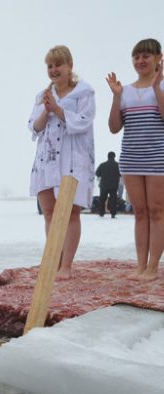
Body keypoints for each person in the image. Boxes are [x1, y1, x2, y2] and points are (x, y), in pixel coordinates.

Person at [28, 45, 95, 279]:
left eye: (59, 64)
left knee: (70, 212)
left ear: (70, 66)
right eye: (50, 66)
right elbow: (33, 127)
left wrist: (58, 109)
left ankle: (66, 265)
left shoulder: (84, 93)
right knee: (49, 212)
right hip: (47, 158)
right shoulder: (42, 95)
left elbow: (84, 122)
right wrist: (47, 111)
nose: (54, 70)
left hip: (72, 159)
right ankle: (52, 262)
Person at [106, 38, 164, 280]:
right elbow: (114, 127)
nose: (140, 61)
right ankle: (140, 265)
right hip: (131, 158)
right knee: (139, 212)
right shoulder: (125, 90)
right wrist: (116, 97)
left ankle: (152, 267)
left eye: (146, 56)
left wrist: (157, 87)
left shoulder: (161, 86)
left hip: (157, 158)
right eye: (137, 56)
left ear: (158, 58)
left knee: (157, 211)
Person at [96, 151, 121, 218]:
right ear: (114, 157)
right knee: (113, 200)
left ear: (108, 156)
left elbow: (97, 173)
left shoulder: (102, 165)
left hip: (104, 185)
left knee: (102, 199)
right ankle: (113, 214)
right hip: (114, 185)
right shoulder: (118, 165)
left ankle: (101, 213)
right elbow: (121, 174)